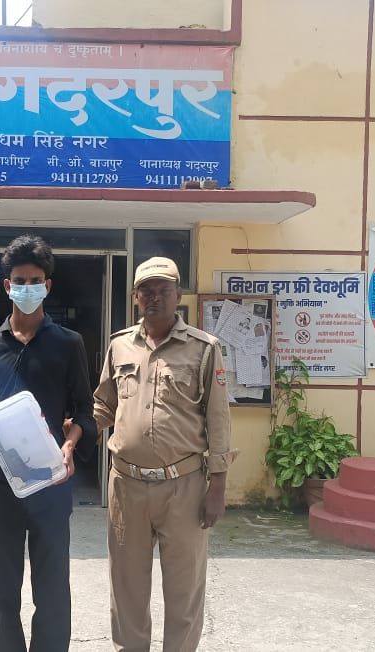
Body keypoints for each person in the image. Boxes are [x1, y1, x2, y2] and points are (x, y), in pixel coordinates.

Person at [93, 257, 237, 652]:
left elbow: (218, 419)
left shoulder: (204, 348)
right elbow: (103, 406)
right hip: (126, 486)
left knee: (184, 588)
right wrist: (69, 432)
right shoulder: (119, 345)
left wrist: (217, 487)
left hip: (183, 487)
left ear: (178, 295)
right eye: (147, 291)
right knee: (127, 585)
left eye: (163, 290)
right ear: (135, 297)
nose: (154, 297)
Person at [0, 234, 97, 652]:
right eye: (19, 281)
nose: (27, 287)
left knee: (52, 586)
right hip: (0, 482)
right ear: (7, 286)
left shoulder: (68, 343)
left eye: (35, 281)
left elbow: (86, 412)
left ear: (47, 286)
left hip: (50, 481)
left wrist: (70, 445)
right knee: (2, 588)